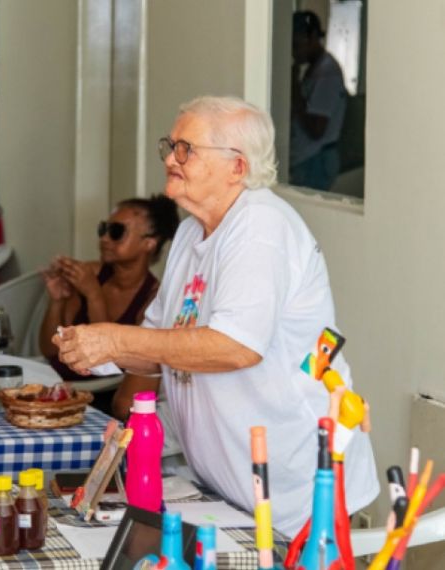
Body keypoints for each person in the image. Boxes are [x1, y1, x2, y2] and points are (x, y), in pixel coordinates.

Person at [54, 96, 378, 536]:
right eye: (170, 146)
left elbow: (235, 346)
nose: (171, 158)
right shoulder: (191, 231)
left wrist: (115, 341)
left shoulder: (261, 227)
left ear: (237, 167)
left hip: (295, 488)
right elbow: (158, 344)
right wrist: (97, 353)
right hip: (228, 485)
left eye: (186, 148)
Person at [39, 196, 179, 382]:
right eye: (103, 229)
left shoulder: (153, 297)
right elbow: (50, 350)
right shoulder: (90, 273)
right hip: (59, 382)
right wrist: (56, 301)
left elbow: (116, 365)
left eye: (116, 231)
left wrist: (93, 294)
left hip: (103, 390)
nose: (104, 238)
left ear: (149, 243)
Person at [289, 10, 346, 191]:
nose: (294, 52)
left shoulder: (327, 73)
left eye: (297, 44)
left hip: (315, 161)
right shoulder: (314, 69)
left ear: (313, 37)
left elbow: (317, 129)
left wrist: (295, 89)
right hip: (308, 158)